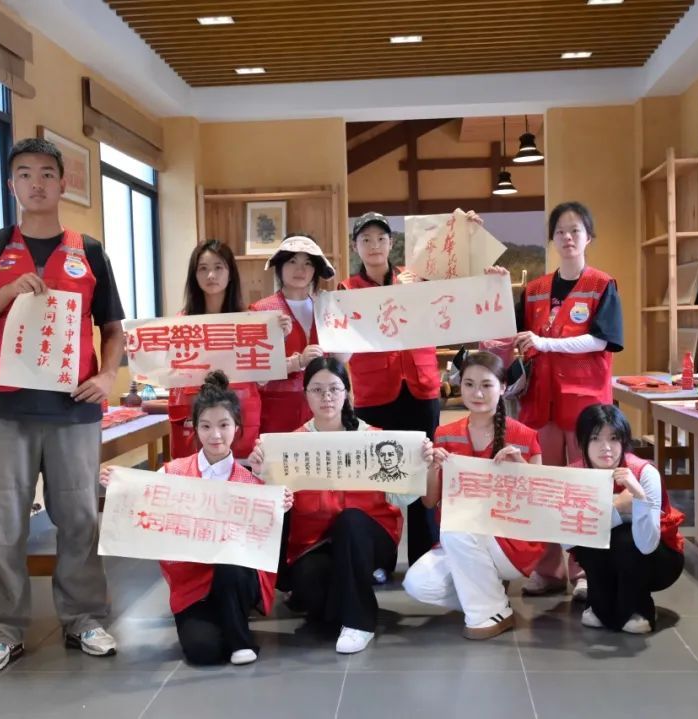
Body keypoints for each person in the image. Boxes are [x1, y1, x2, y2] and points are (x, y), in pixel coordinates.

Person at [0, 137, 122, 675]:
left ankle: (84, 619)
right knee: (4, 524)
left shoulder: (89, 251)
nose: (37, 183)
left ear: (63, 183)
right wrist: (7, 293)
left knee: (78, 518)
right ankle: (4, 631)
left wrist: (108, 375)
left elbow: (112, 328)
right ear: (12, 185)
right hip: (4, 411)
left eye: (47, 173)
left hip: (73, 411)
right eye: (25, 174)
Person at [100, 372, 293, 665]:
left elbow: (267, 541)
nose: (215, 435)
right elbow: (143, 501)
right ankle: (223, 620)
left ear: (237, 426)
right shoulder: (174, 473)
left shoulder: (251, 481)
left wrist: (281, 504)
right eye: (206, 426)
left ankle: (241, 639)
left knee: (231, 560)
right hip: (192, 583)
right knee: (203, 651)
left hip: (235, 579)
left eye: (224, 425)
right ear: (194, 427)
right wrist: (119, 487)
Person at [248, 356, 435, 654]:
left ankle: (360, 622)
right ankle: (345, 596)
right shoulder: (290, 445)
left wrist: (418, 464)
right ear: (305, 394)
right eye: (317, 390)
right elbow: (270, 507)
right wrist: (261, 472)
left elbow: (402, 498)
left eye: (334, 389)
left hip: (369, 538)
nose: (327, 397)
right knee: (313, 592)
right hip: (315, 543)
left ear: (347, 392)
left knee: (350, 520)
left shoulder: (374, 439)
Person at [514, 201, 624, 600]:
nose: (567, 237)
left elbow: (602, 339)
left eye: (575, 230)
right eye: (560, 231)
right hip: (540, 402)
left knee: (583, 487)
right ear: (552, 238)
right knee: (543, 485)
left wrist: (546, 343)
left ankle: (584, 570)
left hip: (585, 406)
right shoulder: (534, 290)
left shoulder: (601, 285)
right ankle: (548, 569)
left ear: (588, 237)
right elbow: (513, 338)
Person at [404, 350, 545, 639]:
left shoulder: (524, 436)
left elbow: (540, 505)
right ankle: (490, 592)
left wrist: (521, 469)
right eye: (469, 384)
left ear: (503, 387)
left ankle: (489, 614)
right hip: (460, 539)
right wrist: (431, 467)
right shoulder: (445, 433)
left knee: (457, 528)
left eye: (486, 385)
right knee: (418, 583)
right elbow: (429, 502)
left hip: (510, 540)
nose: (477, 393)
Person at [339, 212, 442, 566]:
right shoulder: (347, 291)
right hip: (374, 392)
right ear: (355, 246)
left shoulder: (416, 280)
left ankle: (425, 557)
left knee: (423, 468)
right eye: (365, 239)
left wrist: (465, 232)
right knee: (381, 475)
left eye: (381, 239)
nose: (374, 246)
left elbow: (455, 285)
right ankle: (379, 558)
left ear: (391, 243)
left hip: (420, 387)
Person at [568, 404, 685, 633]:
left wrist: (639, 497)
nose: (606, 447)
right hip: (605, 555)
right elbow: (568, 541)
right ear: (582, 442)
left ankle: (638, 608)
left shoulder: (644, 473)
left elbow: (648, 543)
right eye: (595, 438)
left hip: (657, 559)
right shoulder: (575, 475)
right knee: (591, 540)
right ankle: (602, 604)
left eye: (613, 438)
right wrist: (617, 508)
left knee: (624, 539)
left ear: (624, 441)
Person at [168, 240, 276, 460]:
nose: (211, 275)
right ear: (194, 275)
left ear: (230, 273)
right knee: (195, 474)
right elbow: (170, 372)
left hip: (241, 410)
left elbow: (263, 376)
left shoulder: (250, 320)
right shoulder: (181, 322)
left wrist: (277, 336)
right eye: (203, 268)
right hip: (197, 412)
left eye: (218, 267)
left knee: (240, 473)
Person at [249, 235, 335, 434]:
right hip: (277, 411)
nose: (300, 270)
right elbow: (255, 373)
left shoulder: (326, 308)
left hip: (322, 409)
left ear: (315, 270)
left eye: (308, 263)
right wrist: (297, 362)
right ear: (279, 266)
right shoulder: (262, 310)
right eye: (292, 261)